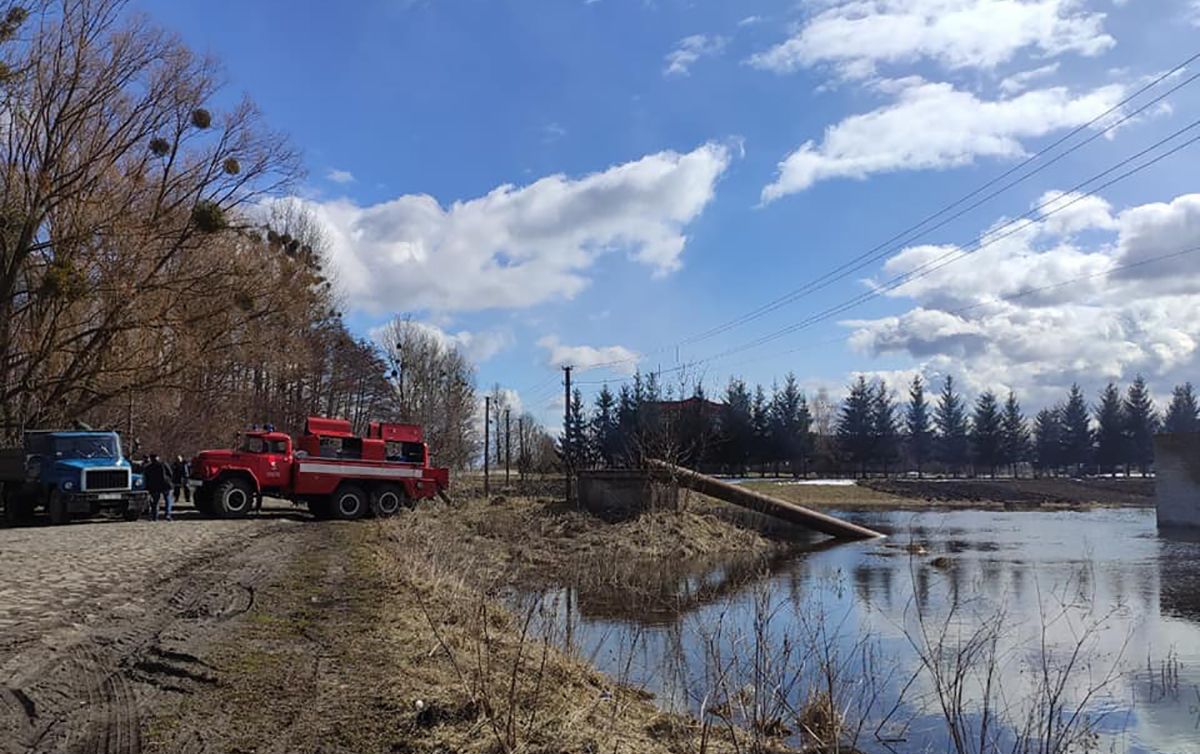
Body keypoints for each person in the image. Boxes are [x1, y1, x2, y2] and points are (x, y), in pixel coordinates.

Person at [143, 453, 174, 521]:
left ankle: (155, 516)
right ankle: (167, 514)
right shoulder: (163, 464)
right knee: (168, 500)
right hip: (166, 485)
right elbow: (170, 473)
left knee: (155, 502)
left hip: (154, 486)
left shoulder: (148, 467)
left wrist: (147, 487)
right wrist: (169, 480)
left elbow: (146, 478)